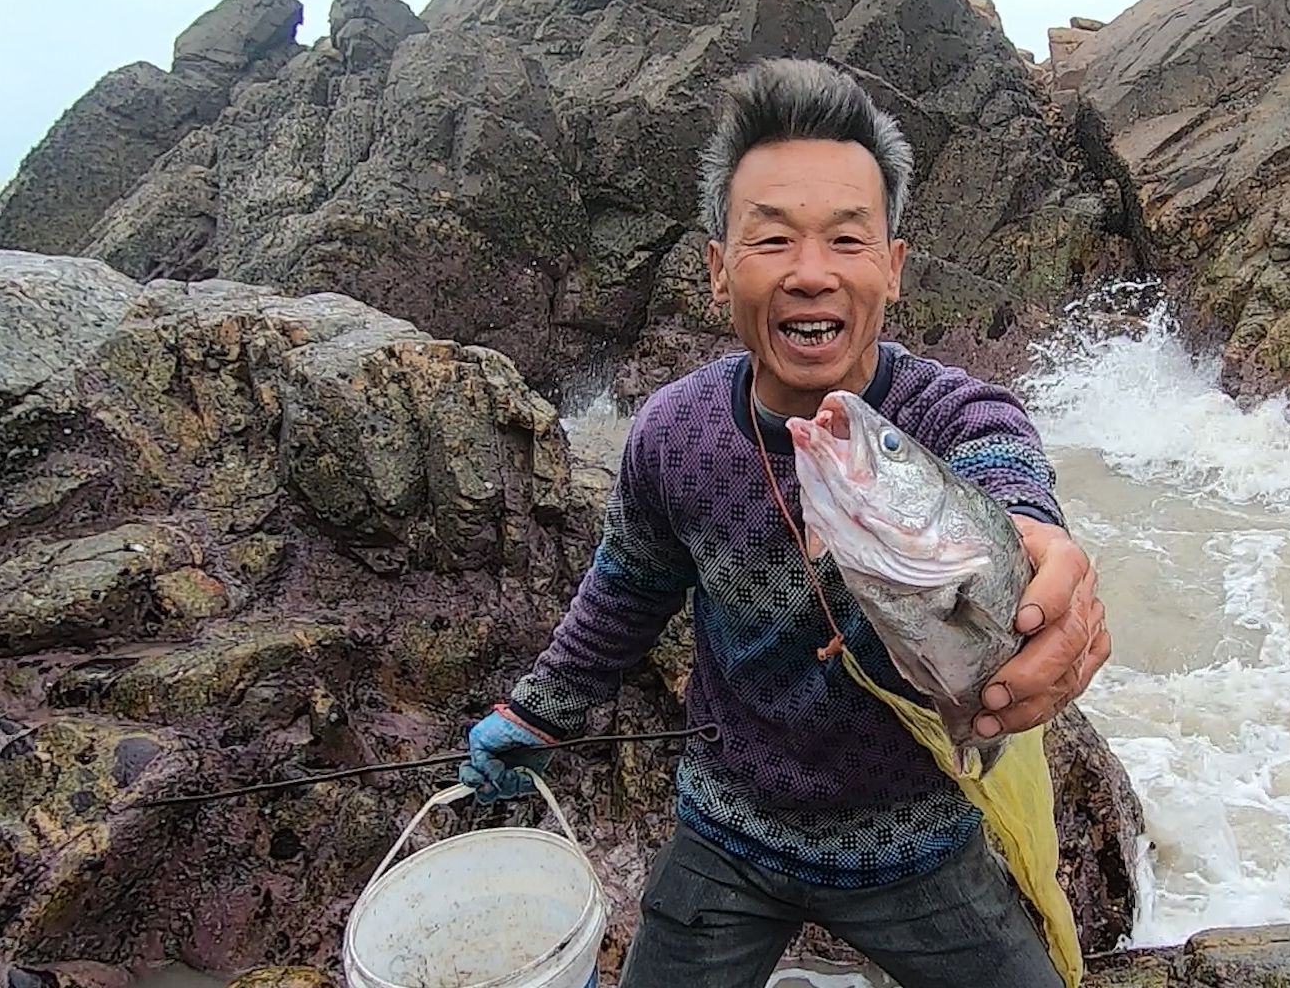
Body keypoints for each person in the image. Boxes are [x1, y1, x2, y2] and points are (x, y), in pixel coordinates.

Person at [461, 57, 1111, 988]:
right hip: (730, 833)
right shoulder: (674, 436)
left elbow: (1007, 489)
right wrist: (536, 714)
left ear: (893, 268)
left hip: (919, 843)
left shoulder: (955, 415)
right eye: (772, 242)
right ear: (720, 272)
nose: (811, 275)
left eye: (847, 241)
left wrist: (1041, 552)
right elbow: (625, 594)